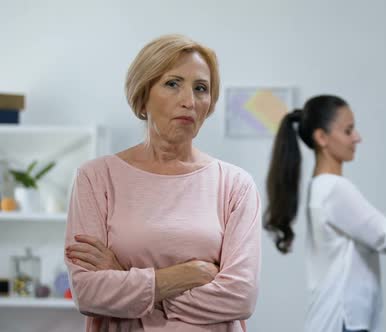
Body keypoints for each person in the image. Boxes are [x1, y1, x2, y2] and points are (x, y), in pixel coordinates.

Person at [64, 34, 261, 331]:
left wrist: (125, 277)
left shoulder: (236, 185)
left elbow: (241, 298)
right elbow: (88, 293)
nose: (189, 101)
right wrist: (183, 276)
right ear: (143, 96)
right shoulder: (95, 178)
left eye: (201, 88)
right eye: (173, 84)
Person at [264, 95, 386, 332]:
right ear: (322, 138)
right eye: (349, 131)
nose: (357, 137)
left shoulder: (320, 187)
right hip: (342, 323)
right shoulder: (334, 190)